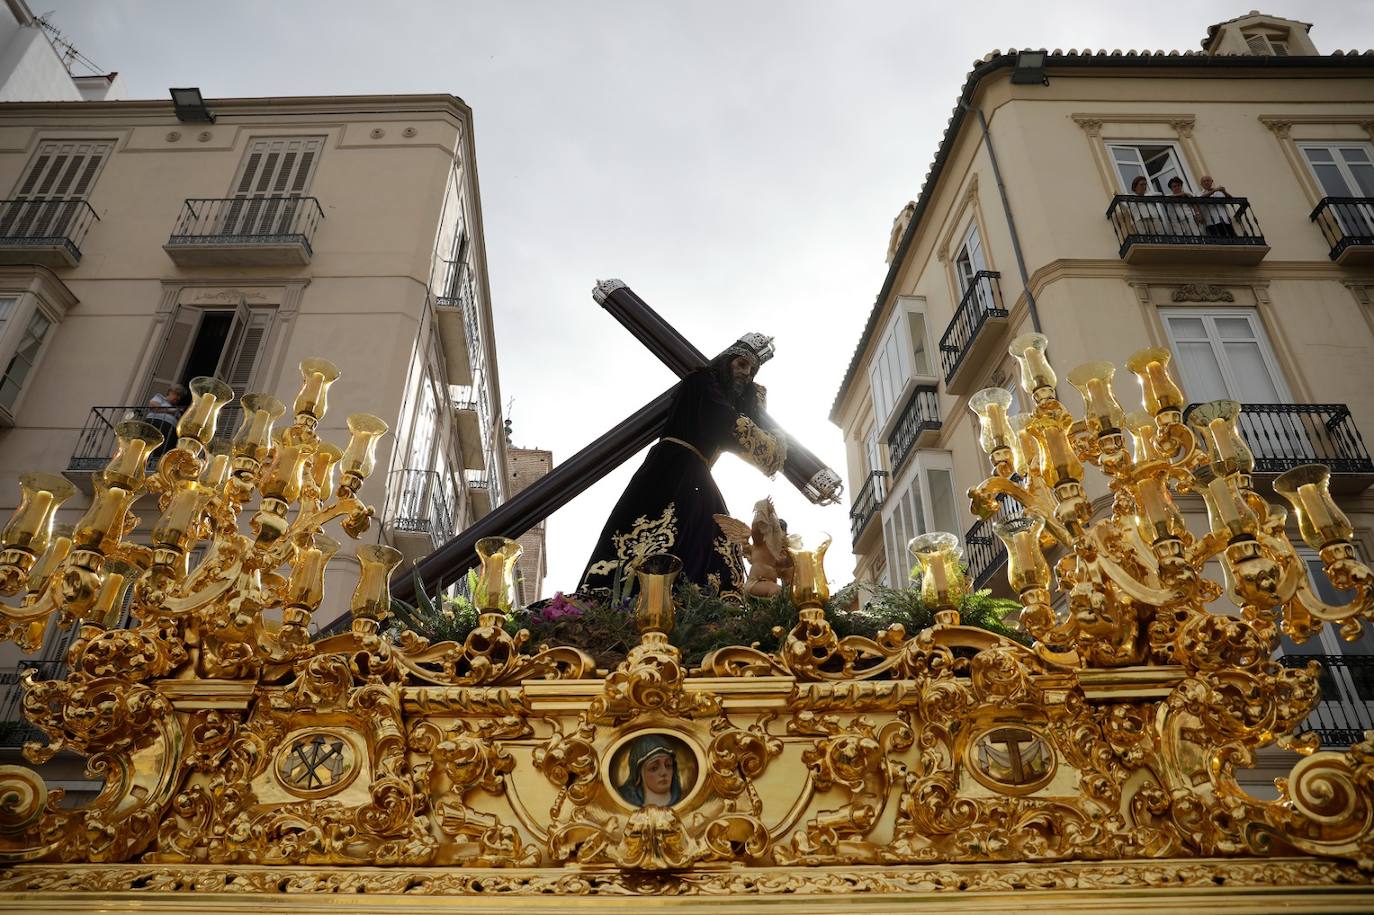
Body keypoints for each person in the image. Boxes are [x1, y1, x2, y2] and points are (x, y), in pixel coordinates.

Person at [580, 333, 786, 598]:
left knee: (710, 538)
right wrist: (773, 437)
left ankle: (697, 604)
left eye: (752, 371)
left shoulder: (724, 397)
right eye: (742, 364)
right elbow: (731, 426)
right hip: (672, 466)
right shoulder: (701, 381)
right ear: (727, 361)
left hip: (696, 472)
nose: (747, 374)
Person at [615, 734, 683, 807]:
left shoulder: (683, 799)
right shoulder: (623, 802)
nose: (664, 772)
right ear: (639, 774)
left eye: (668, 765)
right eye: (654, 768)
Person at [145, 384, 187, 457]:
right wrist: (170, 411)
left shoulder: (177, 409)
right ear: (170, 392)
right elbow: (153, 406)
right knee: (150, 443)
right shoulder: (160, 398)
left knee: (162, 447)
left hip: (169, 430)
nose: (178, 398)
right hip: (155, 423)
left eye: (180, 396)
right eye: (176, 394)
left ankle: (154, 461)